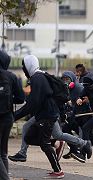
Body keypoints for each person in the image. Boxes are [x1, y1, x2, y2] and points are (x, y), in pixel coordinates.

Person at [14, 55, 64, 178]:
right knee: (29, 137)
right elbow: (35, 101)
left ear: (29, 65)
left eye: (24, 66)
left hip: (47, 114)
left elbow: (33, 103)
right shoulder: (39, 76)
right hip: (45, 114)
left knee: (44, 143)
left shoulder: (37, 78)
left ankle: (58, 171)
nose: (23, 68)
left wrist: (14, 116)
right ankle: (56, 144)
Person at [0, 50, 25, 180]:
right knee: (3, 152)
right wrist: (10, 99)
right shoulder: (12, 76)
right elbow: (21, 98)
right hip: (7, 117)